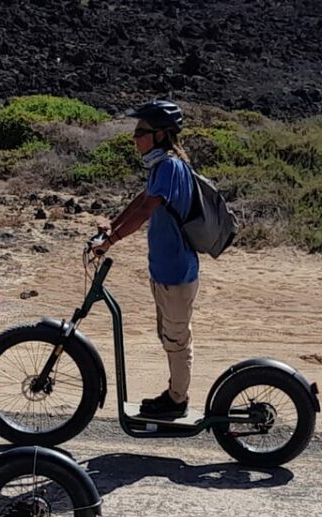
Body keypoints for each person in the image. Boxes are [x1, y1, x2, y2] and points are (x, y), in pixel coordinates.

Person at [96, 100, 198, 419]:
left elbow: (145, 211)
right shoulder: (162, 167)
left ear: (160, 136)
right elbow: (139, 201)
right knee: (170, 336)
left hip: (176, 273)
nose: (135, 138)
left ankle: (178, 401)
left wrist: (111, 241)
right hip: (166, 271)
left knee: (177, 340)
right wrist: (111, 226)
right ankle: (173, 394)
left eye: (141, 132)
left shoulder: (168, 166)